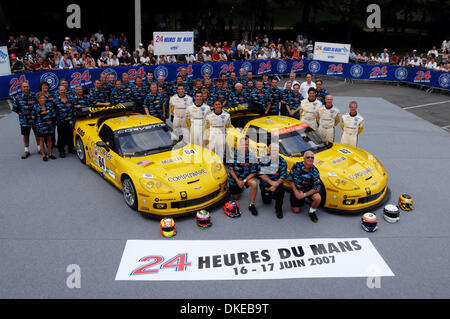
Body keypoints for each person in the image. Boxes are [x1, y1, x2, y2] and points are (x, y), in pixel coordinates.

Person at [227, 136, 260, 216]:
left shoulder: (252, 156)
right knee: (235, 198)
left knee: (254, 184)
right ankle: (238, 188)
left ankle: (251, 205)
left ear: (248, 145)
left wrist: (244, 181)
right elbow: (231, 170)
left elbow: (254, 172)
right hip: (235, 178)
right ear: (239, 145)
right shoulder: (233, 154)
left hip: (245, 178)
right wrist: (238, 181)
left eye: (246, 144)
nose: (245, 146)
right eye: (243, 144)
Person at [288, 150, 322, 223]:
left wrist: (304, 195)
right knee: (296, 211)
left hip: (308, 191)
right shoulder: (296, 165)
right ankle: (302, 199)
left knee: (318, 198)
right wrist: (296, 191)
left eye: (312, 157)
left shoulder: (315, 171)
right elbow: (290, 179)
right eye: (308, 157)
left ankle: (311, 212)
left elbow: (317, 188)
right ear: (304, 158)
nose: (310, 159)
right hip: (297, 189)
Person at [258, 143, 287, 218]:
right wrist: (271, 183)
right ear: (269, 151)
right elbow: (260, 173)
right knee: (266, 201)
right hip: (266, 182)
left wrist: (276, 184)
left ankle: (278, 209)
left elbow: (283, 176)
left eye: (276, 150)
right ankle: (270, 193)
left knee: (281, 190)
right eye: (272, 150)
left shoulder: (282, 161)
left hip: (277, 182)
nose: (274, 152)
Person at [12, 82, 39, 158]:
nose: (26, 88)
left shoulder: (34, 95)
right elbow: (15, 109)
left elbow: (38, 106)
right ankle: (26, 151)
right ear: (21, 88)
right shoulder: (17, 97)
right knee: (26, 135)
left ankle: (40, 149)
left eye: (27, 86)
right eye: (24, 87)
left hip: (34, 120)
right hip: (24, 121)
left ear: (29, 87)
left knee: (37, 134)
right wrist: (23, 115)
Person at [33, 92, 57, 161]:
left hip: (49, 125)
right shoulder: (35, 107)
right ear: (38, 99)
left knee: (49, 140)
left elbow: (53, 113)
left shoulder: (49, 105)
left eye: (43, 97)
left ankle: (50, 154)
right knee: (42, 140)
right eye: (41, 98)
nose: (42, 99)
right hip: (40, 126)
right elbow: (33, 116)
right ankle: (43, 155)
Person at [54, 85, 75, 157]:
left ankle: (71, 148)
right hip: (61, 122)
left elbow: (73, 108)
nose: (63, 91)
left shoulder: (71, 99)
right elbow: (54, 111)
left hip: (70, 120)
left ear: (66, 90)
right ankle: (61, 151)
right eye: (61, 90)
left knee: (70, 135)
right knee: (61, 136)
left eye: (64, 90)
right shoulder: (56, 101)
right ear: (59, 91)